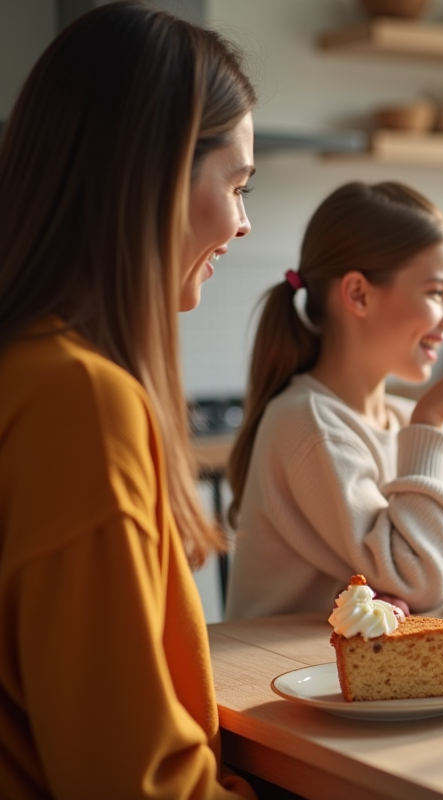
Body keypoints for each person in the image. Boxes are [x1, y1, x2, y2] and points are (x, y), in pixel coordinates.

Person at [0, 3, 256, 798]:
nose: (243, 224)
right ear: (157, 175)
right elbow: (130, 780)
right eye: (237, 183)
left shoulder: (27, 372)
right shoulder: (80, 401)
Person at [223, 181, 443, 621]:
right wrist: (428, 425)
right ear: (358, 294)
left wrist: (429, 424)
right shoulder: (308, 423)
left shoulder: (417, 421)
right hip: (279, 675)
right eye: (435, 292)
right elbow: (420, 581)